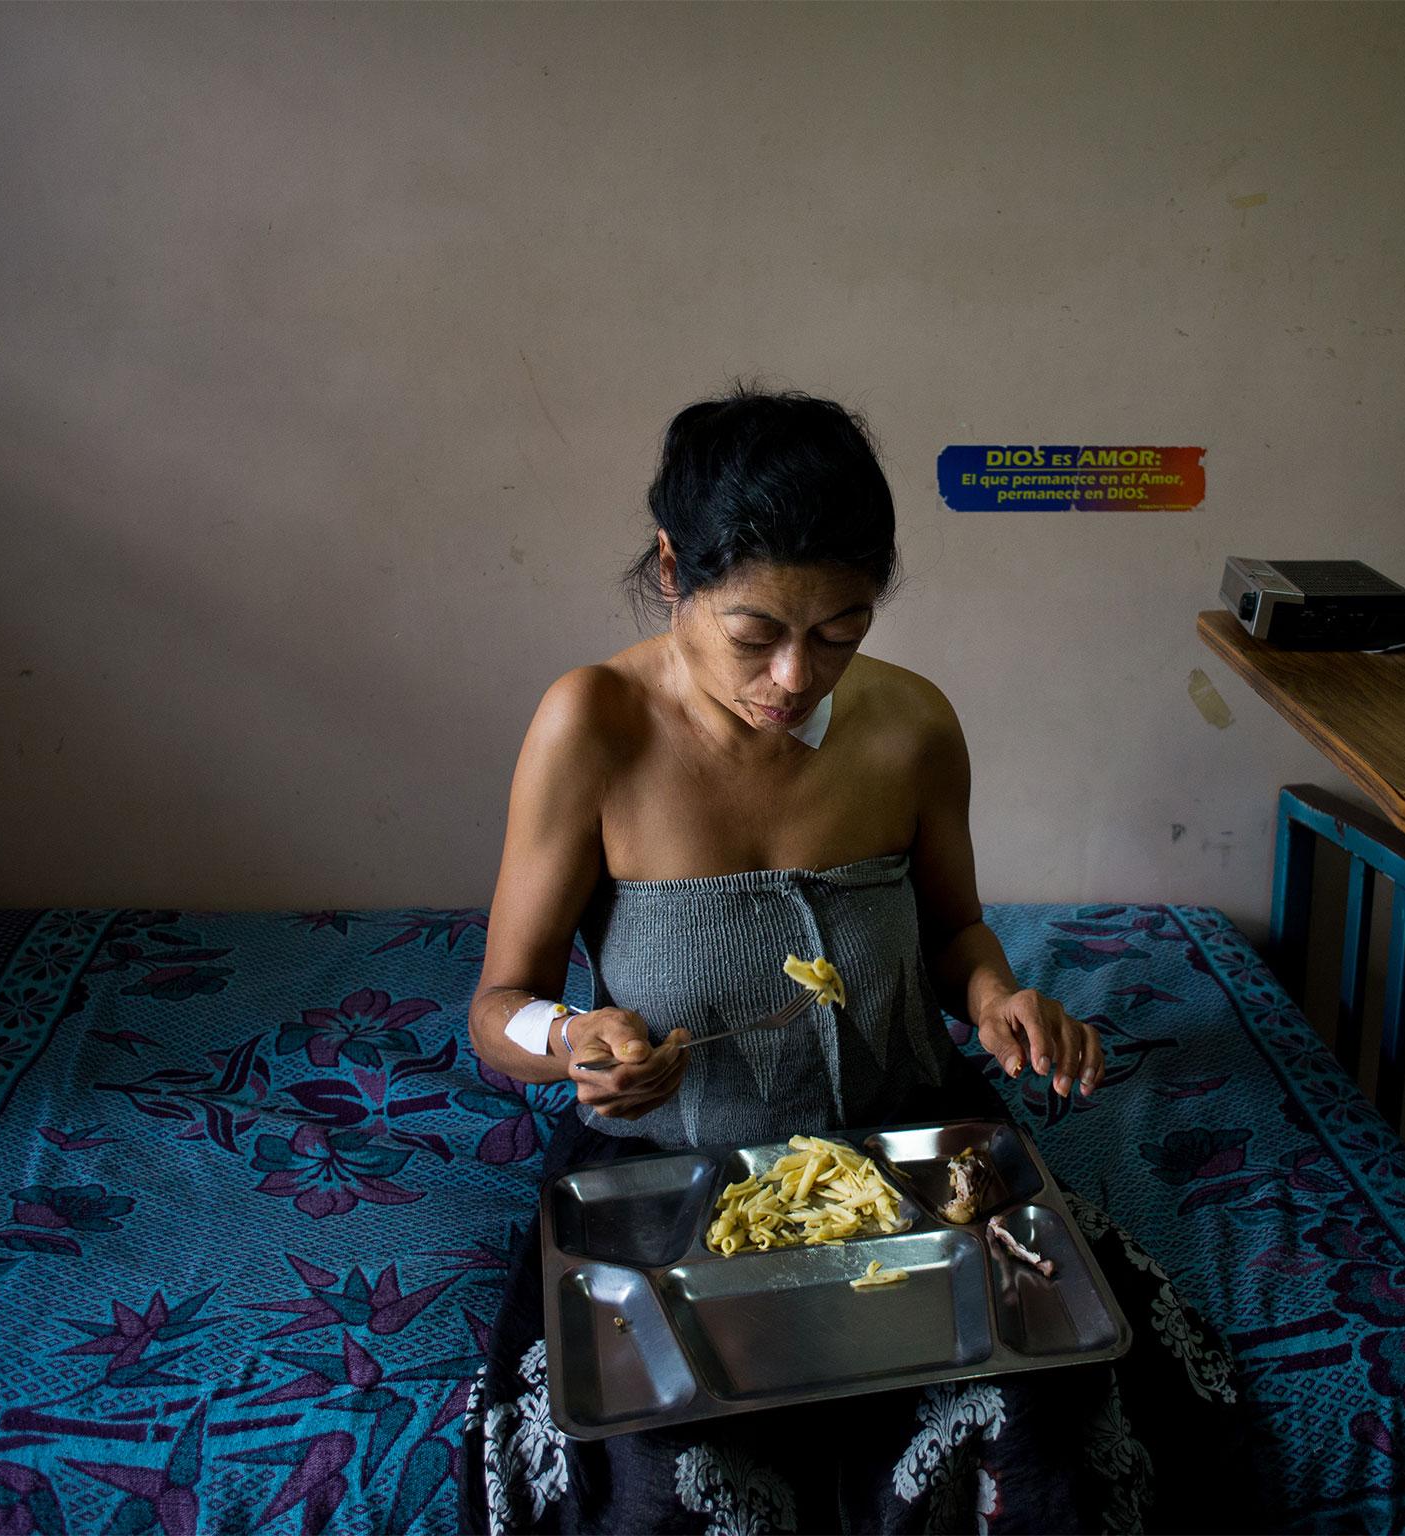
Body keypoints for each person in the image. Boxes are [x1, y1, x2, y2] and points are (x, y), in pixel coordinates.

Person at [462, 385, 1248, 1534]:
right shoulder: (594, 726)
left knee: (1023, 1443)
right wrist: (571, 1041)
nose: (794, 678)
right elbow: (498, 1006)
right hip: (671, 1177)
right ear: (674, 572)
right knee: (659, 1476)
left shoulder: (910, 726)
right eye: (755, 636)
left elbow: (952, 935)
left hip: (907, 1151)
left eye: (839, 633)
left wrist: (994, 998)